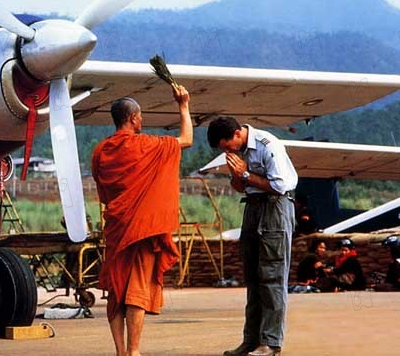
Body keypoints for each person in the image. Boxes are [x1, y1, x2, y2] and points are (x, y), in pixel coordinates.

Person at [91, 85, 192, 356]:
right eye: (141, 117)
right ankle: (134, 352)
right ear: (134, 118)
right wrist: (183, 105)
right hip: (143, 228)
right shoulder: (147, 144)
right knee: (136, 287)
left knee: (116, 286)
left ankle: (120, 352)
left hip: (116, 226)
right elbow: (186, 138)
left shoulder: (100, 151)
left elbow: (104, 193)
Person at [207, 117, 297, 356]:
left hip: (275, 208)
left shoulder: (269, 145)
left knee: (272, 276)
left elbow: (279, 185)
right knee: (253, 278)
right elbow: (240, 186)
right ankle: (251, 340)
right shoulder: (237, 152)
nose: (227, 151)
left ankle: (271, 342)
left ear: (237, 134)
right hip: (253, 207)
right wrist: (237, 175)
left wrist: (245, 174)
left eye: (227, 146)